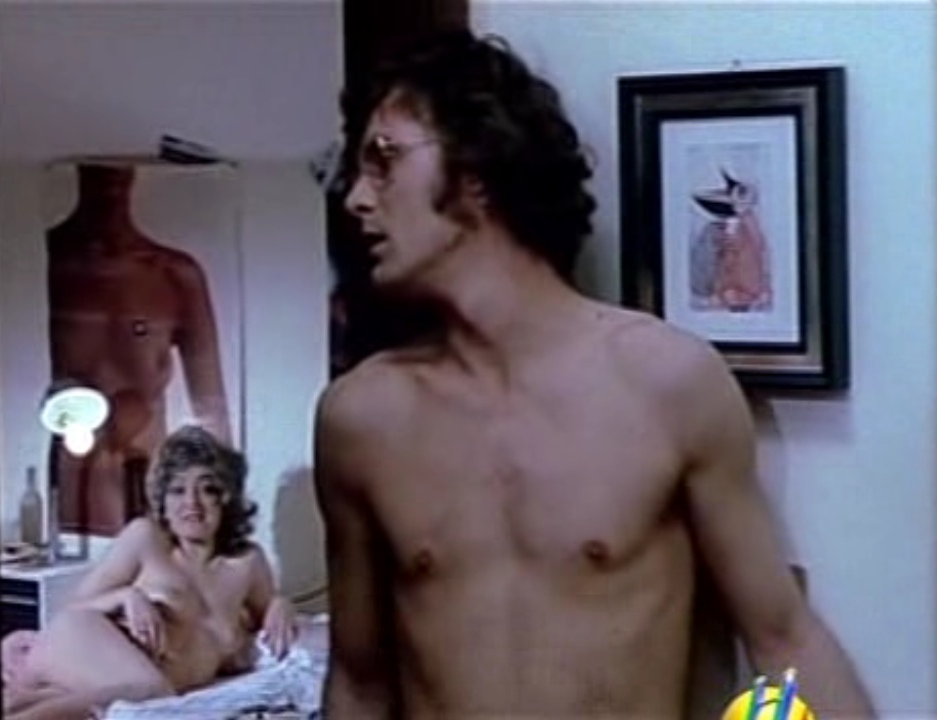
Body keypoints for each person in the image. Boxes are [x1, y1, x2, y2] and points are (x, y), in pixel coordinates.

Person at [313, 29, 875, 720]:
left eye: (384, 160)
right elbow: (360, 683)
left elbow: (783, 638)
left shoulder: (667, 382)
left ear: (477, 170)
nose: (356, 199)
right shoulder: (362, 419)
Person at [3, 425, 296, 720]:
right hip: (82, 639)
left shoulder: (247, 562)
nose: (191, 503)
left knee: (145, 696)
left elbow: (270, 615)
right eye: (177, 490)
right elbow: (72, 609)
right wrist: (126, 597)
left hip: (120, 679)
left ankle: (26, 704)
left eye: (207, 489)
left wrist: (282, 604)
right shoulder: (145, 538)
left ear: (226, 498)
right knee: (154, 695)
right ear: (163, 503)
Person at [47, 163, 233, 536]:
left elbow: (210, 404)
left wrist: (224, 506)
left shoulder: (173, 274)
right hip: (77, 466)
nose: (111, 178)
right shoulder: (49, 260)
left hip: (147, 467)